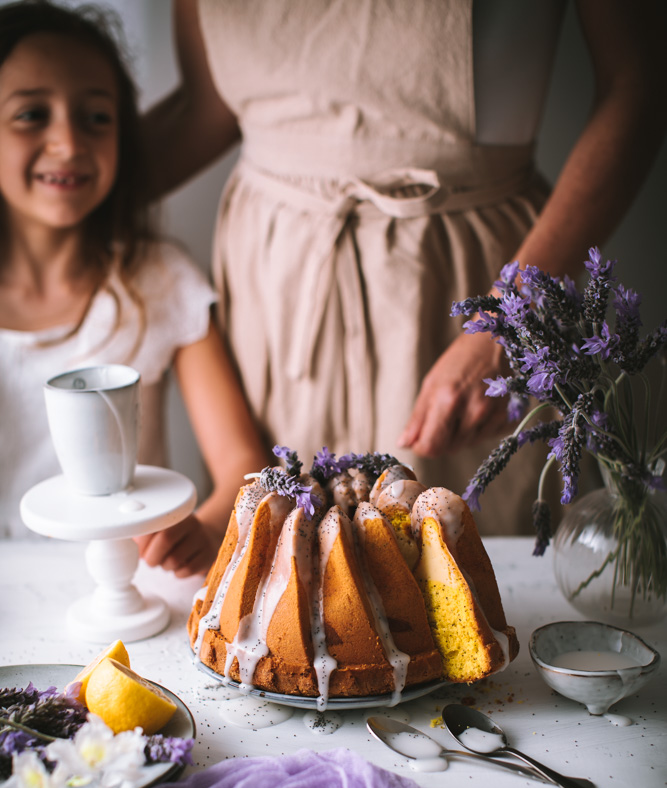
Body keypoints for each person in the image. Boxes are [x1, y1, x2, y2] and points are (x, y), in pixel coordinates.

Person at [140, 0, 667, 535]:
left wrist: (508, 318)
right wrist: (64, 196)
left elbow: (638, 82)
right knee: (288, 566)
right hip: (278, 286)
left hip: (465, 274)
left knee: (464, 562)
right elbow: (205, 106)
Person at [0, 0, 269, 576]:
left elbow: (243, 465)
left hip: (137, 593)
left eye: (97, 117)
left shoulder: (162, 282)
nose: (69, 143)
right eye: (31, 115)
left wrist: (212, 523)